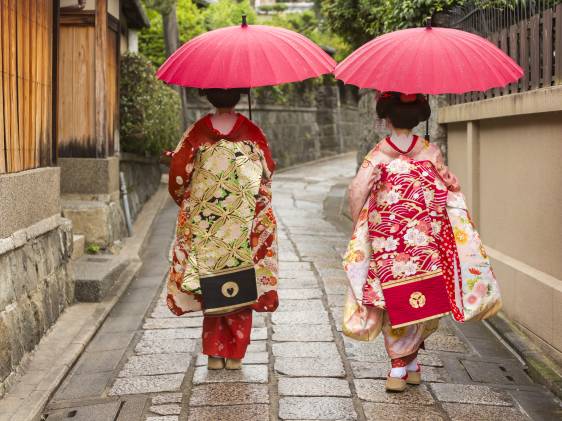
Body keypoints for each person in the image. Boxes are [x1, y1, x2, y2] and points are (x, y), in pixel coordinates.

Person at [343, 92, 501, 392]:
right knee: (422, 297)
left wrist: (360, 220)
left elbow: (356, 193)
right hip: (424, 243)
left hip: (387, 243)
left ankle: (398, 367)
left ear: (386, 118)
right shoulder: (430, 152)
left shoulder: (378, 154)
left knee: (393, 299)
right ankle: (412, 363)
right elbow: (449, 187)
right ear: (419, 117)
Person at [166, 88, 278, 370]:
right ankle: (236, 354)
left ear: (208, 97)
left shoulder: (198, 131)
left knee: (211, 280)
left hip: (208, 219)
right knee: (242, 278)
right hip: (243, 219)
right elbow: (269, 171)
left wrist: (191, 202)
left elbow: (178, 175)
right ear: (240, 96)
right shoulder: (251, 131)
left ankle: (214, 354)